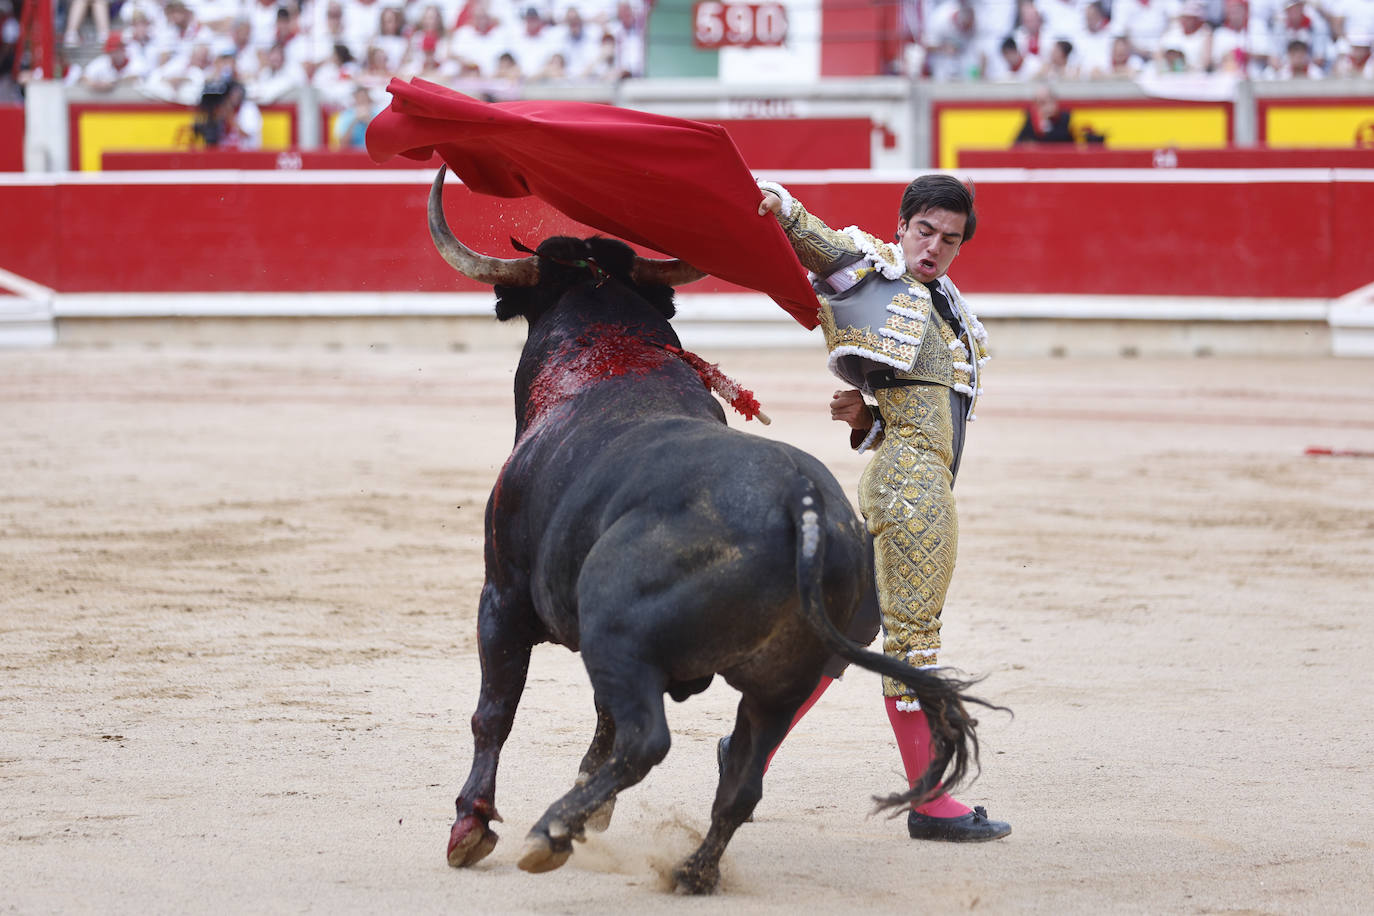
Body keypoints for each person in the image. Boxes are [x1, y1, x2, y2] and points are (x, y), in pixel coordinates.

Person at [720, 174, 1009, 844]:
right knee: (914, 642)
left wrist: (869, 418)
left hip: (910, 470)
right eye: (924, 231)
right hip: (913, 489)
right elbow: (830, 253)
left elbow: (919, 413)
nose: (934, 247)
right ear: (901, 223)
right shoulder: (880, 274)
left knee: (845, 636)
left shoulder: (940, 301)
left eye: (950, 238)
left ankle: (746, 755)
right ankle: (931, 803)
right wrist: (785, 209)